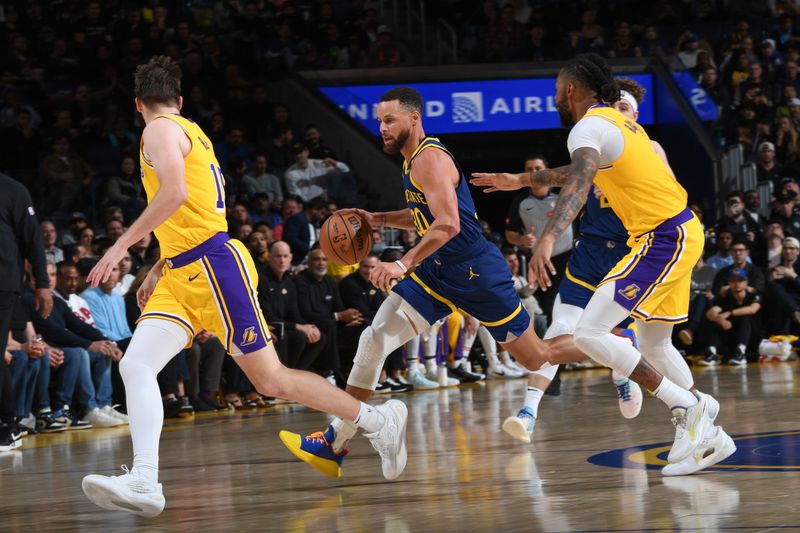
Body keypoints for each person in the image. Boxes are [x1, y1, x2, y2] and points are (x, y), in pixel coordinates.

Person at [81, 56, 408, 518]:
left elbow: (173, 194)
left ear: (139, 104)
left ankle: (377, 422)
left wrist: (119, 248)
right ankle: (145, 480)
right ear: (179, 98)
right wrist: (158, 265)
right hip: (183, 271)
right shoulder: (191, 130)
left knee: (269, 379)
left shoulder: (157, 130)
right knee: (136, 366)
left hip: (214, 268)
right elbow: (190, 211)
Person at [279, 86, 586, 479]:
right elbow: (426, 214)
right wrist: (381, 219)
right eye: (379, 121)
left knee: (538, 356)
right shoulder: (410, 161)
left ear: (414, 118)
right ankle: (335, 442)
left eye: (389, 120)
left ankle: (611, 344)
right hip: (437, 271)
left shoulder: (431, 159)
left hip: (475, 273)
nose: (382, 128)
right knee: (374, 339)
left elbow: (449, 224)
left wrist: (402, 264)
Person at [471, 54, 732, 476]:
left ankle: (690, 407)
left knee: (590, 333)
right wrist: (521, 180)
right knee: (655, 345)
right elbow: (578, 170)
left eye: (557, 89)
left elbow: (579, 178)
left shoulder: (587, 126)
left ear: (571, 90)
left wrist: (549, 238)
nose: (555, 96)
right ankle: (706, 433)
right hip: (680, 230)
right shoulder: (618, 122)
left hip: (661, 236)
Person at [502, 81, 681, 444]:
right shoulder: (598, 146)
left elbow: (672, 202)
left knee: (627, 338)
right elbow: (566, 180)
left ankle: (671, 397)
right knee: (559, 327)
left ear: (636, 115)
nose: (618, 114)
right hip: (591, 249)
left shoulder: (649, 150)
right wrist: (521, 182)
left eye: (625, 109)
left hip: (631, 253)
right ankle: (529, 410)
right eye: (614, 107)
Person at [0, 173, 51, 450]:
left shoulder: (12, 189)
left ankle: (8, 425)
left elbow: (33, 239)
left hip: (3, 284)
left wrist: (42, 283)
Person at [504, 154, 573, 321]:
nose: (534, 173)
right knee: (551, 308)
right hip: (543, 263)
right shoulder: (520, 201)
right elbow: (509, 234)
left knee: (575, 303)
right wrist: (522, 240)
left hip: (571, 257)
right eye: (529, 169)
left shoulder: (563, 193)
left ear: (547, 171)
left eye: (538, 169)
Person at [701, 268, 761, 366]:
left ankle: (740, 352)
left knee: (745, 318)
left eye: (740, 280)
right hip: (733, 336)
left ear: (746, 282)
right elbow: (710, 313)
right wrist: (720, 320)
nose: (736, 283)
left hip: (753, 336)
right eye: (733, 281)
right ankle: (712, 354)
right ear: (729, 283)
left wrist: (730, 313)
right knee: (715, 322)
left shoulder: (753, 295)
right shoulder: (726, 297)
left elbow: (752, 309)